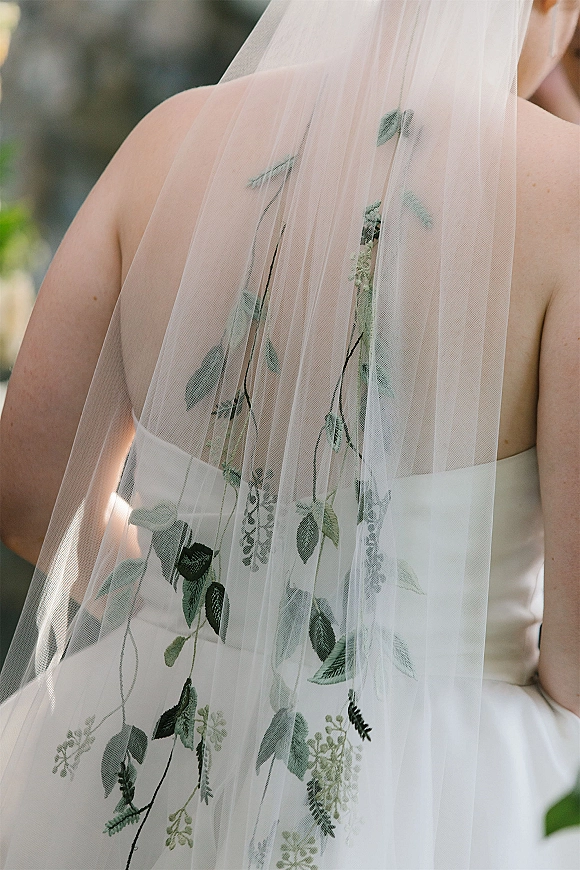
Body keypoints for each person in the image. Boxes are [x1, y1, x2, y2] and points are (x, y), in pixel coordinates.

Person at [0, 1, 578, 868]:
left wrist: (183, 611)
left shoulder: (171, 139)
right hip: (440, 784)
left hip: (150, 725)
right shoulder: (567, 194)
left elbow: (28, 489)